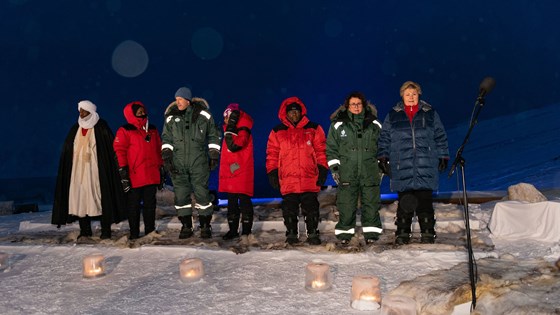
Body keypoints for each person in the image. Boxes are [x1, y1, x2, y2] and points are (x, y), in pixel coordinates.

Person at [377, 81, 449, 245]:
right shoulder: (393, 115)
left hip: (425, 163)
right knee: (405, 201)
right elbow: (384, 138)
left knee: (424, 200)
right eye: (408, 94)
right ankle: (402, 233)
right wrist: (382, 156)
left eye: (414, 94)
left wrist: (443, 156)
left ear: (419, 95)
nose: (411, 97)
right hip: (402, 164)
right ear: (402, 95)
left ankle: (428, 233)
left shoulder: (429, 113)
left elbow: (440, 136)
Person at [52, 100, 126, 239]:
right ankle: (85, 230)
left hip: (96, 171)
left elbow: (109, 150)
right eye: (80, 110)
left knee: (101, 199)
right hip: (77, 171)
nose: (81, 113)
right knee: (80, 199)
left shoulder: (101, 126)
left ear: (91, 111)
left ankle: (105, 231)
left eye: (84, 111)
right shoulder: (75, 128)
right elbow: (68, 149)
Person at [266, 96, 328, 245]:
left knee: (311, 209)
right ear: (285, 113)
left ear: (301, 112)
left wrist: (323, 168)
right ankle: (292, 234)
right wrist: (272, 172)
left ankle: (313, 233)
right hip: (288, 179)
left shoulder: (313, 128)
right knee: (289, 209)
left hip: (309, 177)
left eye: (296, 111)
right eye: (291, 112)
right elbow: (272, 154)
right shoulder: (277, 131)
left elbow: (321, 151)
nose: (294, 114)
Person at [161, 87, 221, 239]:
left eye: (180, 99)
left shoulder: (204, 116)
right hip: (178, 163)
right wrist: (167, 157)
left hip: (198, 162)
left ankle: (205, 225)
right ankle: (186, 226)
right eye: (176, 99)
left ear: (187, 100)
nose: (177, 102)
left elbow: (214, 135)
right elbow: (166, 139)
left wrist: (214, 154)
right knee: (181, 196)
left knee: (202, 195)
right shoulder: (170, 118)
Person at [326, 91, 383, 245]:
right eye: (353, 104)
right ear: (347, 106)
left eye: (359, 104)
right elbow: (331, 148)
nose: (356, 107)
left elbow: (383, 147)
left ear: (363, 105)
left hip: (369, 171)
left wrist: (382, 167)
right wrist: (335, 169)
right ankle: (345, 235)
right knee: (346, 204)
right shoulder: (338, 125)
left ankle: (372, 234)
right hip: (347, 171)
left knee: (371, 204)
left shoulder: (375, 124)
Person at [113, 101, 164, 240]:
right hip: (135, 175)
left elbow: (158, 150)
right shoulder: (125, 130)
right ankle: (134, 233)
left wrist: (161, 169)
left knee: (150, 206)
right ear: (132, 113)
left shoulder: (152, 129)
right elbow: (120, 151)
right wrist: (123, 173)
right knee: (133, 206)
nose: (142, 113)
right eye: (139, 111)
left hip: (151, 174)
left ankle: (150, 231)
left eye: (143, 110)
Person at [218, 103, 256, 244]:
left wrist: (231, 128)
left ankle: (246, 232)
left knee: (245, 202)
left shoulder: (243, 129)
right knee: (232, 203)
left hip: (242, 171)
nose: (226, 120)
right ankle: (233, 230)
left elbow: (237, 145)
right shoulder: (229, 130)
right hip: (231, 172)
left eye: (227, 117)